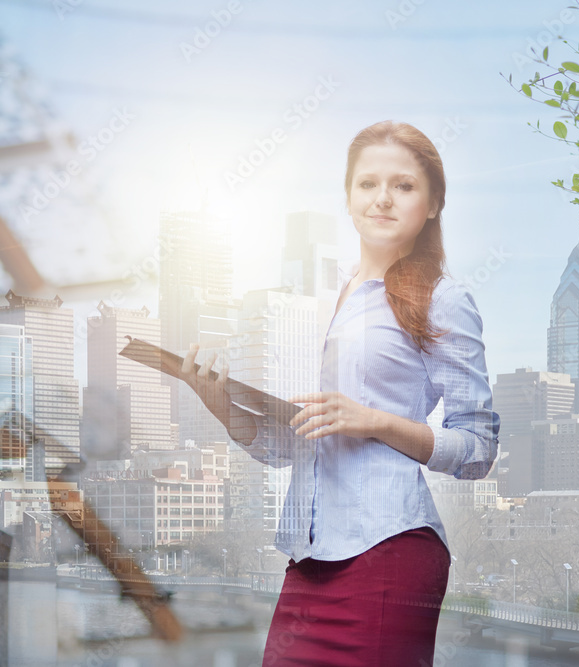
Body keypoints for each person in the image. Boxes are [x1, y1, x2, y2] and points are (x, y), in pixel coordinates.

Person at [181, 120, 499, 666]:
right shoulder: (319, 300)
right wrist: (219, 404)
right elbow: (290, 447)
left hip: (390, 552)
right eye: (367, 184)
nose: (382, 199)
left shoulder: (443, 300)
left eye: (403, 186)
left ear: (433, 203)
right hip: (308, 560)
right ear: (348, 199)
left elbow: (478, 449)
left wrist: (373, 421)